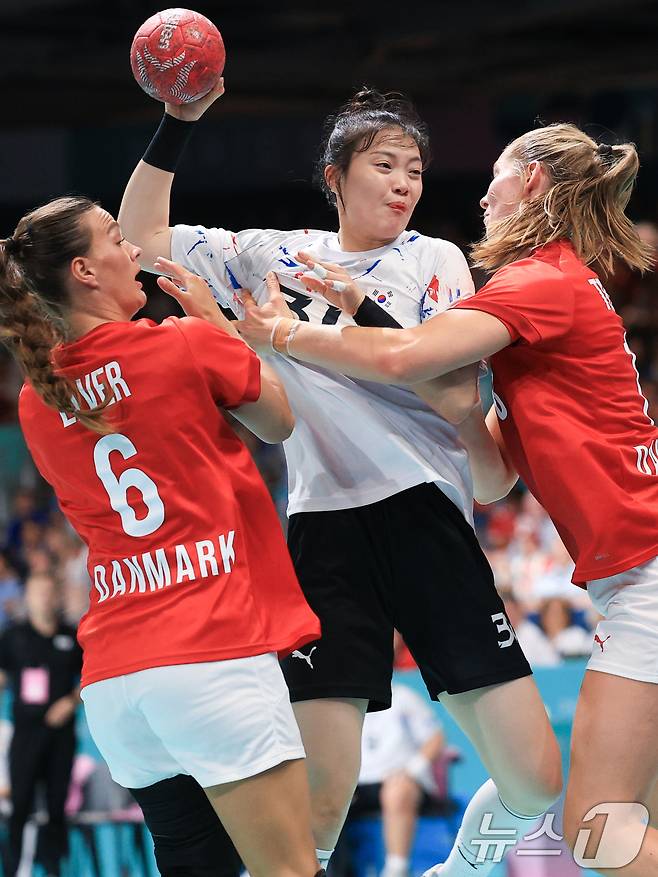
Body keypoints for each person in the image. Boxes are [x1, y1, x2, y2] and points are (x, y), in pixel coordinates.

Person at [119, 82, 562, 876]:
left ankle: (457, 871)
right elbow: (139, 235)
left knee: (535, 781)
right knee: (318, 807)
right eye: (384, 165)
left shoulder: (434, 259)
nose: (403, 183)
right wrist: (177, 121)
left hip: (428, 518)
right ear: (335, 176)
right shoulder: (273, 256)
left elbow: (452, 390)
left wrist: (312, 330)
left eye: (415, 170)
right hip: (324, 532)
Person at [238, 123, 658, 875]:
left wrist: (284, 334)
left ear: (532, 181)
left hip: (648, 582)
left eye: (496, 177)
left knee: (601, 834)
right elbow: (491, 475)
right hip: (636, 579)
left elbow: (406, 356)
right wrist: (369, 311)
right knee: (633, 823)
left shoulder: (538, 281)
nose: (482, 198)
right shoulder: (551, 295)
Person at [2, 195, 323, 877]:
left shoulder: (37, 400)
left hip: (117, 679)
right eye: (117, 238)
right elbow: (278, 420)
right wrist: (218, 324)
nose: (135, 251)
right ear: (85, 270)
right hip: (209, 651)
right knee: (292, 869)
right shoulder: (179, 341)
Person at [0, 572, 82, 876]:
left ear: (57, 596)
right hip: (25, 734)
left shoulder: (72, 636)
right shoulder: (13, 637)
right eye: (37, 592)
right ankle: (13, 869)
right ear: (27, 597)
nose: (44, 598)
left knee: (56, 806)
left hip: (60, 735)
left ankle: (54, 869)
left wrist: (70, 702)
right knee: (20, 804)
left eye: (49, 592)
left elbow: (90, 677)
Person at [354, 679, 446, 877]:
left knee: (397, 790)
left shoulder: (404, 697)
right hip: (356, 785)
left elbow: (435, 739)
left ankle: (396, 869)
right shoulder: (341, 702)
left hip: (400, 780)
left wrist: (410, 771)